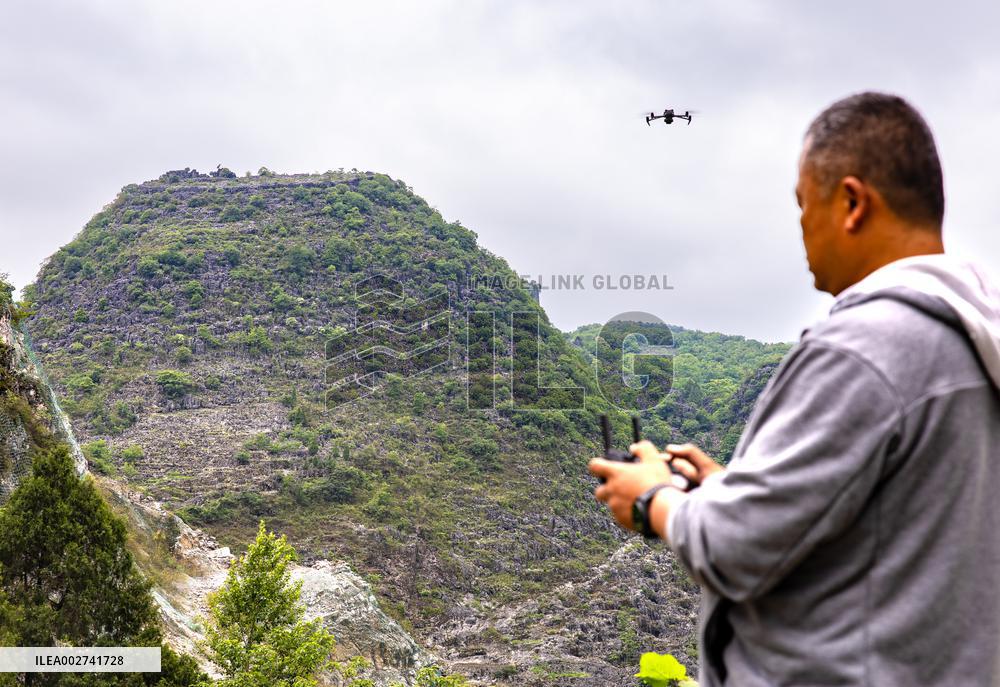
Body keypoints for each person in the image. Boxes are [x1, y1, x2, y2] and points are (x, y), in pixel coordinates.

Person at [589, 92, 1000, 686]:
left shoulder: (865, 348)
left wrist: (652, 498)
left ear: (852, 203)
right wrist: (727, 488)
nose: (802, 227)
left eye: (804, 204)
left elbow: (734, 546)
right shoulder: (971, 337)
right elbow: (890, 526)